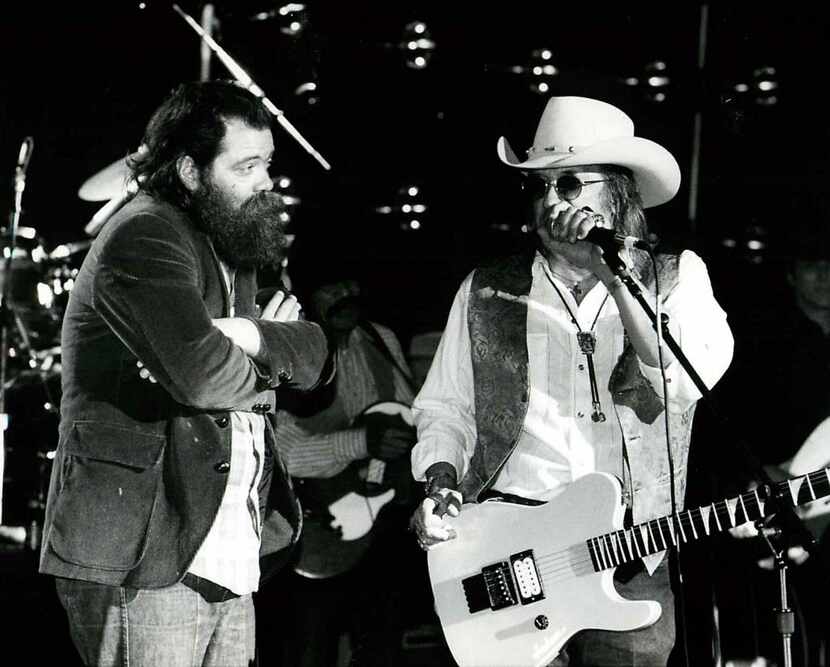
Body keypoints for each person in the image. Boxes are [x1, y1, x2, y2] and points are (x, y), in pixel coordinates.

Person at [408, 95, 734, 666]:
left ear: (618, 191)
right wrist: (441, 483)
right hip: (511, 553)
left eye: (570, 184)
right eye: (539, 186)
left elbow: (683, 382)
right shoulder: (488, 288)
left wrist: (613, 276)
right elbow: (446, 409)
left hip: (631, 556)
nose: (550, 201)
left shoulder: (678, 278)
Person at [38, 80, 330, 667]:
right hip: (146, 553)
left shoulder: (233, 242)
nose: (266, 182)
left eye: (267, 164)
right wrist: (266, 363)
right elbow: (200, 376)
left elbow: (316, 352)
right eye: (247, 166)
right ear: (192, 172)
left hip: (223, 551)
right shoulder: (144, 233)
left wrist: (247, 336)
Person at [260, 265, 422, 666]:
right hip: (317, 533)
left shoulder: (378, 339)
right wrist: (361, 442)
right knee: (310, 650)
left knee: (382, 646)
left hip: (379, 529)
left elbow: (407, 412)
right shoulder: (294, 350)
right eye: (333, 286)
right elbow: (284, 452)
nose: (346, 293)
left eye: (351, 282)